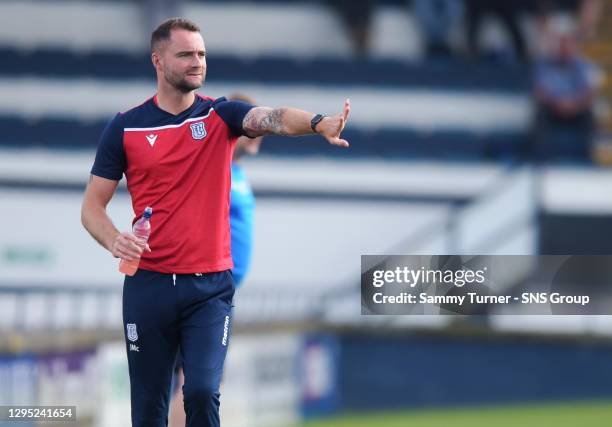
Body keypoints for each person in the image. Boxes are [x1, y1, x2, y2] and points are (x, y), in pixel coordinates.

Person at [80, 17, 350, 427]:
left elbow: (273, 116)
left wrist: (317, 124)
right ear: (158, 59)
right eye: (186, 53)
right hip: (148, 286)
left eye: (202, 53)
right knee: (148, 410)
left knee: (202, 391)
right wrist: (114, 238)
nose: (197, 61)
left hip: (208, 289)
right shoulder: (125, 127)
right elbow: (91, 208)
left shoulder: (222, 116)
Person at [168, 93, 263, 427]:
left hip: (220, 291)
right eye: (253, 122)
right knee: (194, 382)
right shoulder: (212, 168)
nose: (261, 133)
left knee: (203, 382)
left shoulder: (234, 171)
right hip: (203, 288)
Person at [532, 27, 598, 161]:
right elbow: (539, 92)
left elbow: (590, 94)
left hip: (576, 109)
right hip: (553, 108)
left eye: (567, 45)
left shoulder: (583, 66)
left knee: (589, 116)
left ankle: (588, 157)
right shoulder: (544, 65)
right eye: (561, 45)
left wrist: (573, 104)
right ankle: (540, 157)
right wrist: (558, 103)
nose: (564, 49)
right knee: (539, 114)